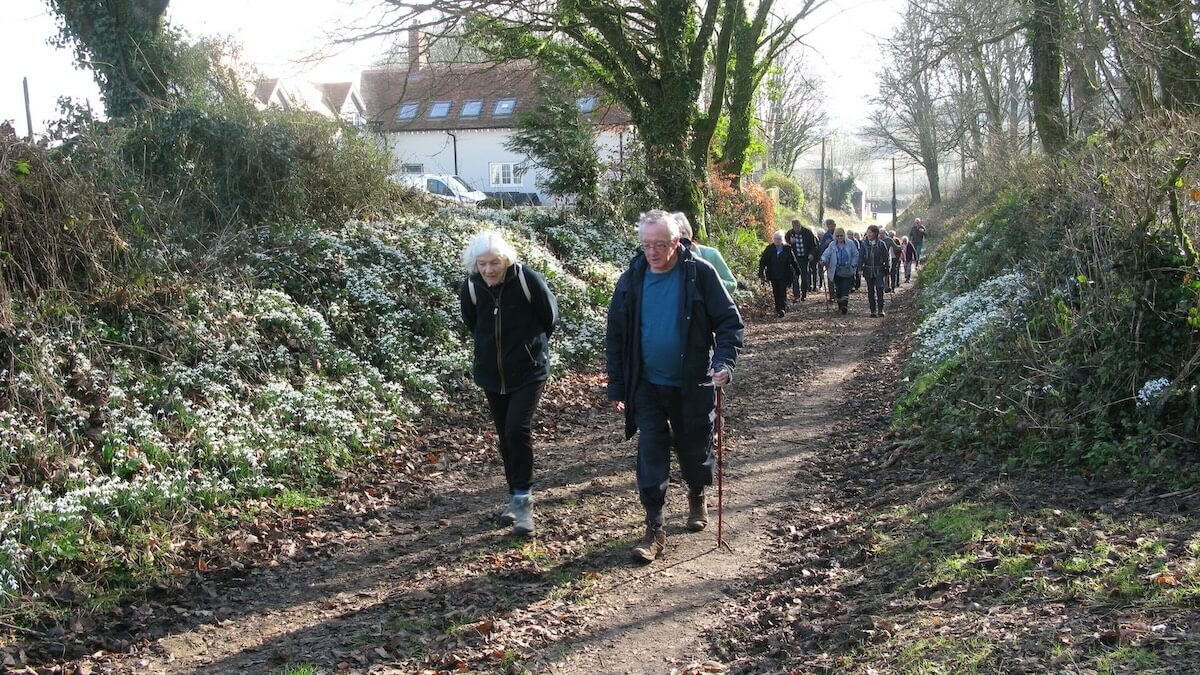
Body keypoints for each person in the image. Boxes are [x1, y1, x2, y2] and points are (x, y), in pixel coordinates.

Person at [606, 209, 744, 564]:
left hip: (693, 381)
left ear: (677, 243)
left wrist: (724, 363)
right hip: (647, 384)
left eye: (660, 244)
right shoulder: (632, 279)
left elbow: (729, 323)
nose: (652, 252)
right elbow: (617, 336)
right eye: (646, 244)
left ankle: (697, 491)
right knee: (650, 449)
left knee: (694, 448)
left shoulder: (700, 275)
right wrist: (619, 387)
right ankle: (654, 526)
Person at [460, 231, 559, 536]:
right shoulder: (472, 286)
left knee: (518, 429)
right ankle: (515, 497)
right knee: (505, 437)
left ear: (506, 260)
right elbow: (472, 323)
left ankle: (525, 504)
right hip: (491, 373)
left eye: (495, 263)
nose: (489, 270)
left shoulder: (527, 281)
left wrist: (529, 350)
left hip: (528, 371)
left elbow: (549, 318)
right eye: (482, 264)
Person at [673, 212, 738, 295]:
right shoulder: (665, 261)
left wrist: (709, 280)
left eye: (683, 233)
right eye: (676, 236)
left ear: (689, 233)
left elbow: (732, 285)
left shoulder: (710, 254)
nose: (680, 239)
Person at [758, 230, 801, 317]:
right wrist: (761, 272)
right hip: (773, 274)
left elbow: (793, 261)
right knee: (776, 291)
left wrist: (798, 271)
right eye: (775, 239)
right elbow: (763, 261)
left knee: (782, 291)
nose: (777, 241)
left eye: (779, 239)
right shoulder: (769, 249)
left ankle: (782, 308)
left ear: (782, 239)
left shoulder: (787, 248)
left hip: (784, 274)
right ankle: (778, 308)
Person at [820, 227, 859, 315]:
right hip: (836, 270)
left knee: (845, 287)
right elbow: (826, 254)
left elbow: (855, 254)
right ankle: (840, 305)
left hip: (847, 269)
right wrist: (823, 260)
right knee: (838, 288)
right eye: (837, 236)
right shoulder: (832, 245)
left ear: (844, 235)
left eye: (841, 236)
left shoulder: (850, 243)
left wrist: (853, 264)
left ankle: (845, 305)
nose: (839, 238)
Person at [859, 225, 890, 317]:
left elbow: (886, 257)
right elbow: (861, 257)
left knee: (880, 289)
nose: (868, 234)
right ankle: (873, 310)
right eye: (868, 232)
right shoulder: (864, 244)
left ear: (875, 233)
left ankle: (880, 310)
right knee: (870, 291)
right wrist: (860, 268)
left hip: (879, 270)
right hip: (868, 271)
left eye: (870, 232)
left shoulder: (881, 244)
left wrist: (887, 268)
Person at [785, 219, 818, 301]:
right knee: (795, 276)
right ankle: (796, 295)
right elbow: (785, 243)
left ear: (800, 225)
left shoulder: (807, 233)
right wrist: (790, 242)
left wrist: (811, 254)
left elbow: (814, 245)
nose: (796, 229)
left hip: (804, 257)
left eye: (798, 227)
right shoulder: (790, 233)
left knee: (804, 275)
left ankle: (804, 293)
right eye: (794, 227)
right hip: (794, 258)